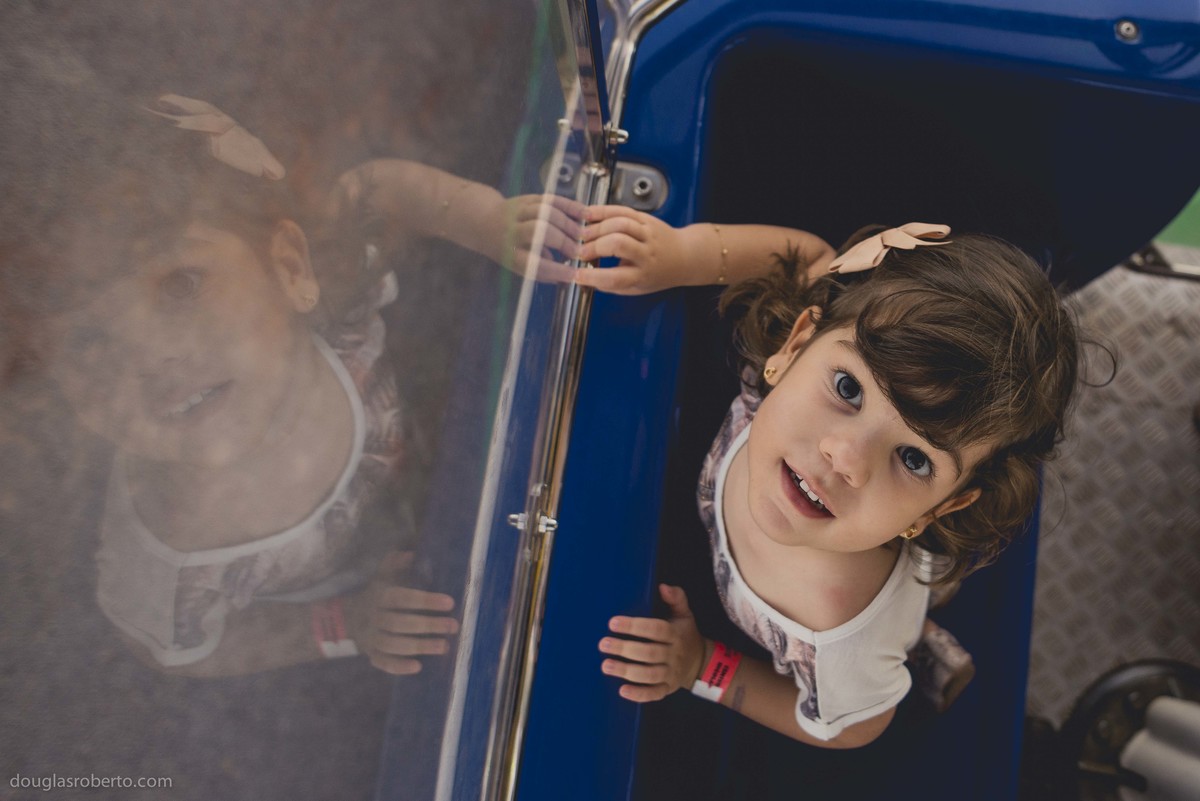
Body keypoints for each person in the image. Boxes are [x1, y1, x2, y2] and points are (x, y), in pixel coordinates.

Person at [1, 73, 579, 678]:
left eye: (180, 284)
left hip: (462, 479)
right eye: (89, 341)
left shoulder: (335, 299)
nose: (149, 357)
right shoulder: (168, 556)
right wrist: (342, 624)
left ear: (290, 269)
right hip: (379, 588)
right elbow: (182, 651)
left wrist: (487, 221)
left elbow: (374, 190)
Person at [576, 208, 1079, 748]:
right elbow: (811, 257)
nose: (846, 458)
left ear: (940, 508)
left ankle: (918, 641)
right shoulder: (781, 377)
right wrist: (682, 255)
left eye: (914, 459)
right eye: (848, 389)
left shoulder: (842, 638)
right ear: (793, 347)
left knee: (899, 635)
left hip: (865, 634)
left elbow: (852, 728)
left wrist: (703, 664)